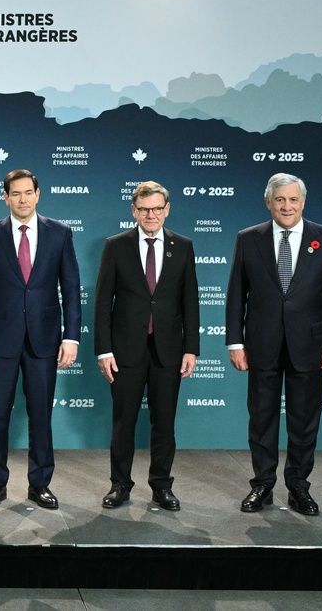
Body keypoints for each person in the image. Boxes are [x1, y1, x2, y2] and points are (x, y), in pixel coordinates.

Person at [226, 173, 322, 516]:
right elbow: (237, 294)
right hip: (260, 344)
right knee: (262, 419)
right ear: (269, 202)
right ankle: (262, 485)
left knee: (304, 420)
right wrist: (235, 342)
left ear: (303, 202)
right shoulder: (248, 239)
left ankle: (298, 487)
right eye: (280, 199)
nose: (287, 206)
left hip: (308, 345)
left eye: (293, 199)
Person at [0, 169, 81, 509]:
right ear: (5, 197)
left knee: (41, 415)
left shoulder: (59, 233)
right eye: (14, 194)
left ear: (38, 194)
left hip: (44, 340)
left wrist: (71, 337)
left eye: (27, 192)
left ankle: (39, 483)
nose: (22, 199)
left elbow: (71, 290)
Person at [94, 181, 199, 511]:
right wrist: (103, 349)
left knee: (164, 421)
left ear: (167, 209)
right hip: (124, 350)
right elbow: (102, 302)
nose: (151, 214)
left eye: (157, 209)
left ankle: (161, 486)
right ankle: (120, 485)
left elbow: (190, 302)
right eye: (144, 209)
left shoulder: (182, 246)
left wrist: (191, 348)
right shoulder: (116, 245)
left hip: (168, 349)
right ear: (134, 211)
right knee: (123, 422)